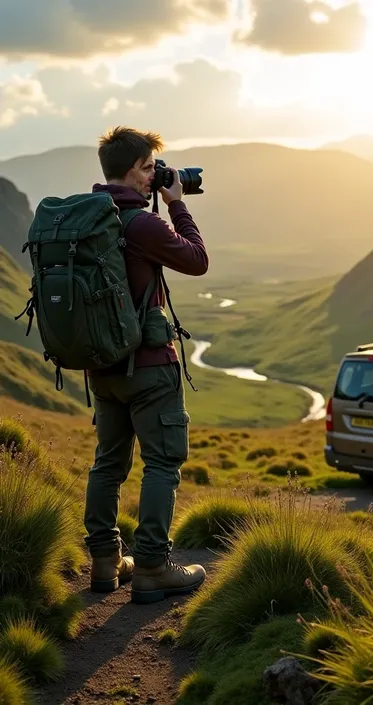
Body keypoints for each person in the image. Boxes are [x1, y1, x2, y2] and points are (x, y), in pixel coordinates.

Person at [83, 126, 209, 604]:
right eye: (150, 167)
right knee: (162, 462)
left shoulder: (93, 218)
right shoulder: (142, 223)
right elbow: (197, 260)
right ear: (134, 170)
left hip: (103, 367)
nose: (155, 174)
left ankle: (105, 560)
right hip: (149, 366)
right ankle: (154, 567)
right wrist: (177, 202)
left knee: (108, 463)